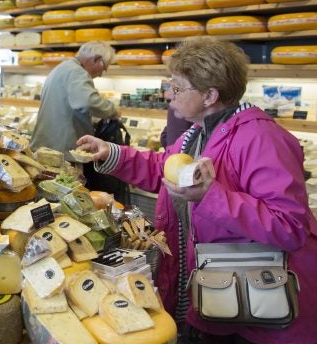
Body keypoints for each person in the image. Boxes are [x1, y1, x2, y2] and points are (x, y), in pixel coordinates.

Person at [77, 36, 317, 344]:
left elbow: (289, 226)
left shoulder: (261, 138)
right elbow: (164, 167)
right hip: (219, 293)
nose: (168, 94)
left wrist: (210, 197)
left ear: (209, 95)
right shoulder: (199, 134)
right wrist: (112, 152)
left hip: (258, 308)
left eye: (177, 87)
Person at [30, 40, 119, 161]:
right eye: (104, 68)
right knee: (66, 180)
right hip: (61, 151)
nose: (101, 74)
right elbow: (87, 101)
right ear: (96, 59)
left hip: (48, 146)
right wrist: (112, 111)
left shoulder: (63, 67)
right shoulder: (77, 72)